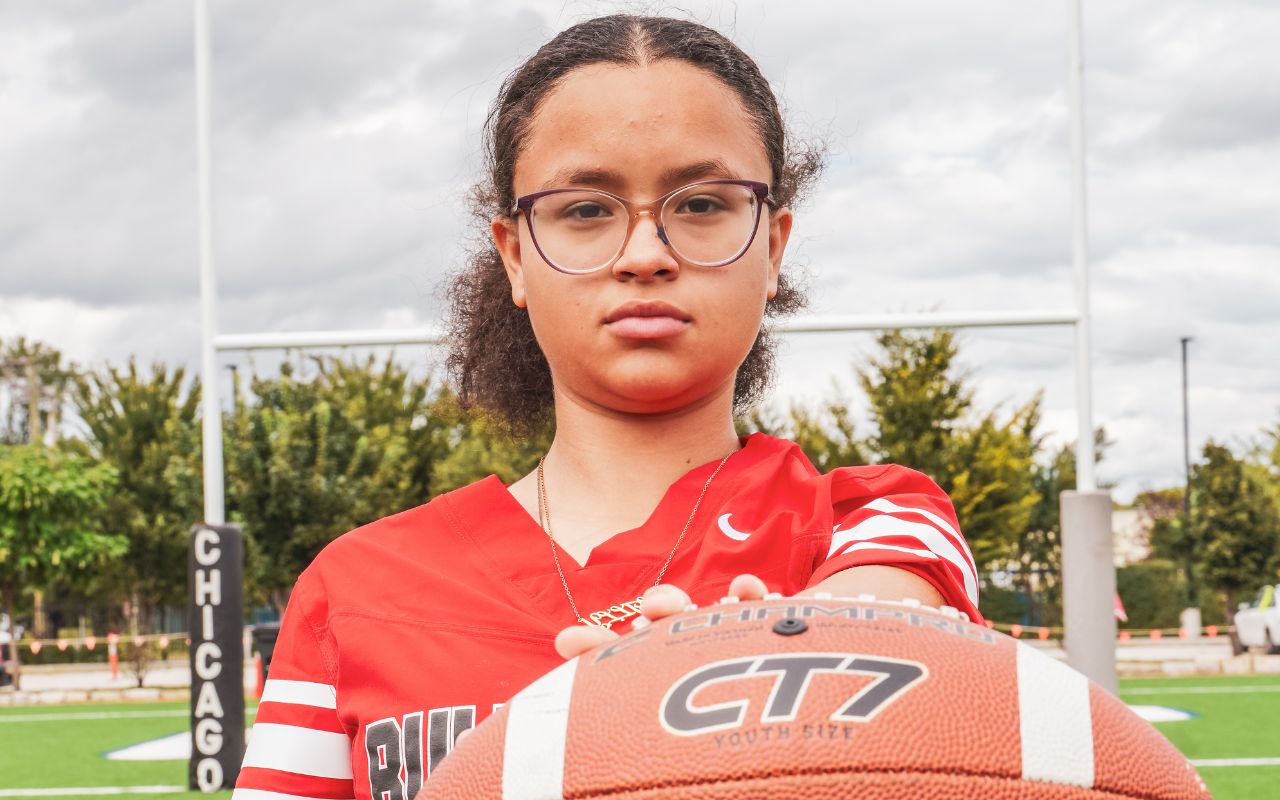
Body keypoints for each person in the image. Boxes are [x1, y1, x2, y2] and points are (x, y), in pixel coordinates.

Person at [231, 14, 980, 800]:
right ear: (516, 256)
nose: (646, 254)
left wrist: (757, 653)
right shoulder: (355, 593)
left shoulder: (869, 520)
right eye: (586, 210)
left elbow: (882, 610)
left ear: (773, 247)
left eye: (702, 204)